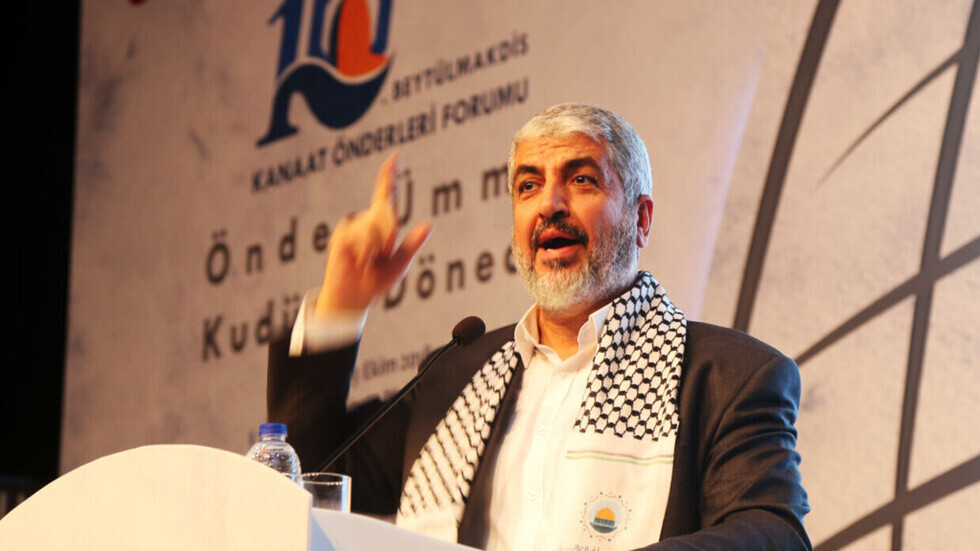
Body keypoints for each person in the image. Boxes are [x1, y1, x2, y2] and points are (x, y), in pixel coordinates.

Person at [267, 103, 811, 550]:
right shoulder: (458, 379)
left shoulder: (728, 377)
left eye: (581, 179)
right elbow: (303, 474)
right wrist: (341, 304)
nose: (549, 204)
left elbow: (774, 534)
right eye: (528, 186)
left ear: (641, 219)